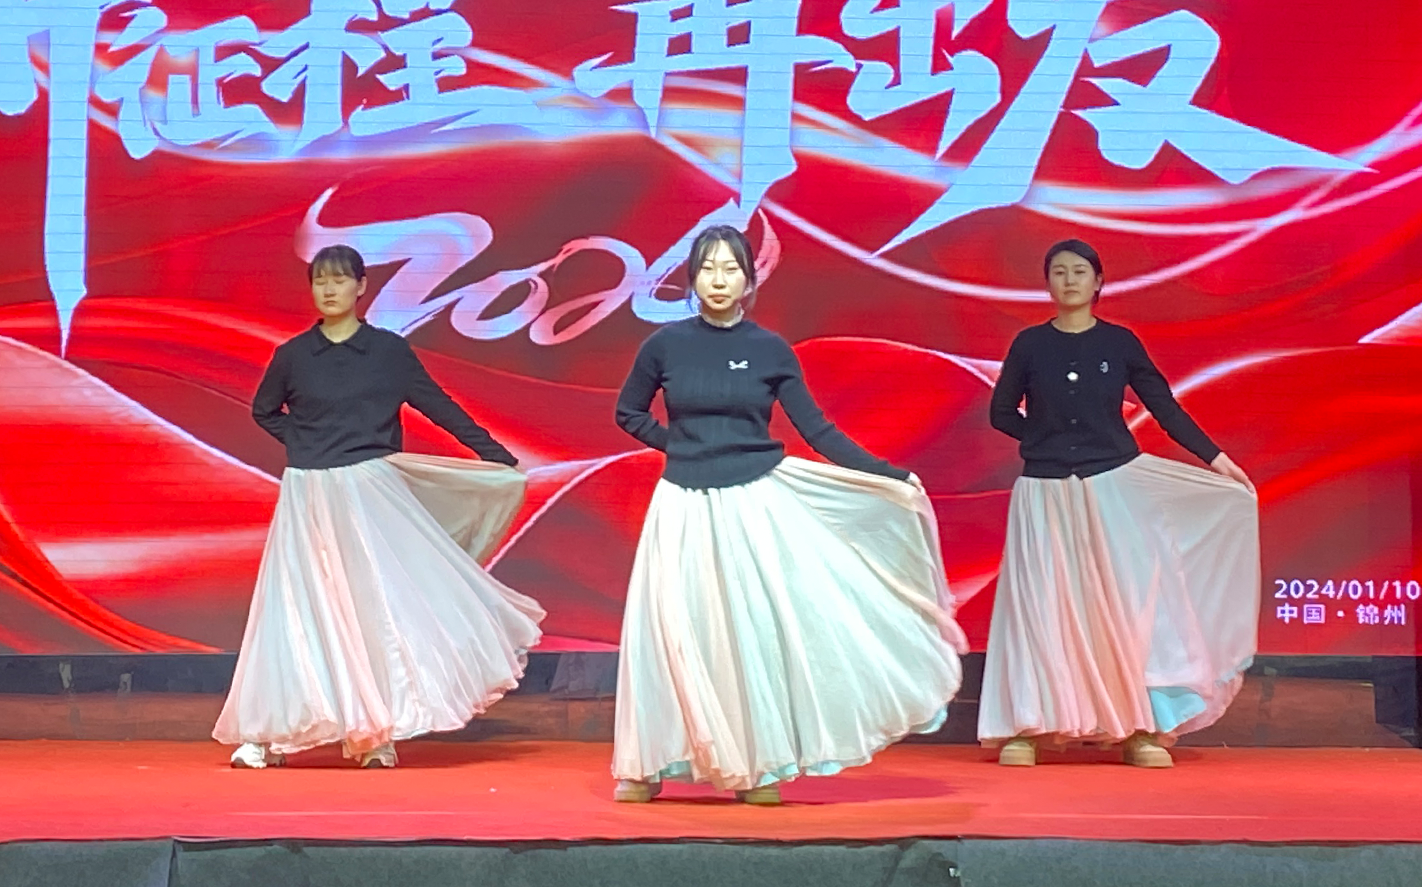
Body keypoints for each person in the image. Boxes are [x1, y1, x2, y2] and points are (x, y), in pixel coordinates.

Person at [610, 225, 965, 804]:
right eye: (708, 268)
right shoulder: (664, 346)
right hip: (681, 504)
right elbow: (628, 412)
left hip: (754, 502)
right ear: (691, 278)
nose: (718, 280)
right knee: (674, 629)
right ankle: (647, 763)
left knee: (749, 632)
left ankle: (758, 764)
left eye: (730, 269)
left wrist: (887, 474)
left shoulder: (771, 349)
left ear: (750, 280)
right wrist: (681, 446)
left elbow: (817, 430)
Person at [213, 244, 544, 769]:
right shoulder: (294, 355)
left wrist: (496, 457)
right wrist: (306, 442)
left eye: (340, 280)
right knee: (296, 606)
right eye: (320, 281)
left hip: (371, 491)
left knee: (375, 609)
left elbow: (438, 405)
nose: (329, 290)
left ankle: (375, 732)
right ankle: (268, 732)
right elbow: (264, 410)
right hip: (308, 493)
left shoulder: (388, 352)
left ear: (361, 286)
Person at [979, 238, 1259, 768]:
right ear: (1047, 283)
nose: (1069, 280)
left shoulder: (1119, 342)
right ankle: (1029, 726)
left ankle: (1139, 727)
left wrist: (1217, 459)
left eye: (1079, 272)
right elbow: (1001, 413)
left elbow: (1164, 408)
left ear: (1099, 282)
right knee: (1043, 605)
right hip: (1044, 491)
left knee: (1127, 603)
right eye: (1059, 272)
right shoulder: (1030, 344)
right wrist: (1043, 438)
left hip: (1113, 486)